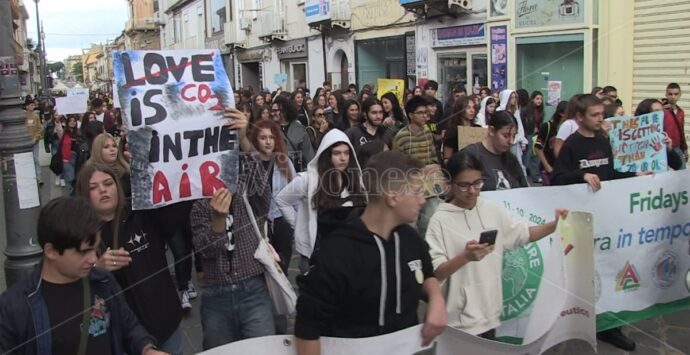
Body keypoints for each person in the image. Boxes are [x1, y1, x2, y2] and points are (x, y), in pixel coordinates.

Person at [294, 151, 447, 355]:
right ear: (393, 197)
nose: (422, 200)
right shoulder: (337, 253)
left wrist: (436, 299)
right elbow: (307, 329)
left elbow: (427, 274)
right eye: (417, 191)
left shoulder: (411, 240)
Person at [426, 151, 568, 339]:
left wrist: (555, 225)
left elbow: (522, 234)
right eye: (463, 185)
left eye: (477, 183)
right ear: (449, 183)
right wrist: (465, 257)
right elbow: (435, 274)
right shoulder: (439, 220)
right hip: (458, 324)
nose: (472, 191)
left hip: (491, 316)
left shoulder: (490, 208)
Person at [550, 94, 652, 351]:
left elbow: (613, 171)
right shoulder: (572, 144)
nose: (600, 119)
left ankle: (610, 325)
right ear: (579, 117)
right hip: (581, 220)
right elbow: (557, 179)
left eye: (601, 115)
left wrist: (636, 174)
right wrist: (581, 174)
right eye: (595, 115)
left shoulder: (604, 141)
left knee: (609, 269)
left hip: (607, 217)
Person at [0, 197, 166, 355]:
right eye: (84, 252)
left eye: (95, 249)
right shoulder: (13, 308)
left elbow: (128, 325)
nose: (93, 259)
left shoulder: (103, 281)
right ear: (51, 251)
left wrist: (146, 348)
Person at [76, 164, 183, 355]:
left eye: (108, 183)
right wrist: (96, 268)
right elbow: (70, 284)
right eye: (93, 187)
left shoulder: (143, 212)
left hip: (166, 321)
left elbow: (173, 217)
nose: (103, 190)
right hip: (122, 336)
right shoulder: (78, 235)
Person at [190, 113, 276, 348]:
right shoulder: (198, 201)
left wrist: (244, 139)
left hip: (253, 290)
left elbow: (264, 199)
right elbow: (205, 250)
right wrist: (218, 218)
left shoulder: (244, 187)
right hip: (215, 296)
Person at [276, 128, 367, 272]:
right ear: (327, 155)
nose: (343, 158)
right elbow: (282, 200)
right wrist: (299, 226)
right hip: (316, 257)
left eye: (346, 153)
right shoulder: (308, 179)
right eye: (337, 153)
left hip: (350, 256)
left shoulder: (356, 181)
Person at [249, 119, 297, 274]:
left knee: (282, 265)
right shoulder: (250, 163)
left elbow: (294, 193)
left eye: (271, 137)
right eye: (263, 138)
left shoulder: (285, 162)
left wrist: (296, 222)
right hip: (258, 222)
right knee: (262, 266)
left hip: (282, 220)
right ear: (256, 140)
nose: (268, 142)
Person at [394, 96, 442, 238]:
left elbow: (433, 155)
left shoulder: (427, 132)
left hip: (428, 185)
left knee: (432, 217)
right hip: (410, 185)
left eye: (426, 113)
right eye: (420, 113)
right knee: (411, 222)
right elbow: (397, 165)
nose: (424, 116)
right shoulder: (401, 136)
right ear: (410, 115)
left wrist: (435, 167)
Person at [461, 111, 527, 191]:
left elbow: (524, 188)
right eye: (506, 136)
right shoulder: (471, 154)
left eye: (514, 136)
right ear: (491, 131)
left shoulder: (511, 159)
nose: (511, 141)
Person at [272, 96, 315, 172]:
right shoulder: (269, 128)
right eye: (272, 110)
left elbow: (309, 156)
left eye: (275, 110)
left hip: (296, 173)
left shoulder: (299, 130)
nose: (272, 113)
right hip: (276, 172)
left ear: (284, 111)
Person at [345, 98, 393, 163]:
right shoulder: (352, 133)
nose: (378, 116)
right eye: (374, 113)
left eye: (380, 112)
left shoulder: (386, 135)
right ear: (365, 114)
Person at [87, 133, 132, 199]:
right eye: (106, 147)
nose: (112, 149)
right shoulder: (89, 173)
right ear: (97, 150)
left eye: (114, 146)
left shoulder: (126, 172)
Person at [535, 101, 568, 185]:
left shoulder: (570, 128)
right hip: (549, 168)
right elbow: (538, 148)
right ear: (562, 114)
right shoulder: (547, 126)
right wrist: (547, 167)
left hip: (563, 169)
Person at [497, 89, 528, 176]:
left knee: (518, 162)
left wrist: (523, 141)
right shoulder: (499, 110)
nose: (514, 100)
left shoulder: (515, 111)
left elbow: (520, 126)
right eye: (512, 98)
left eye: (515, 98)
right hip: (503, 141)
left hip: (515, 141)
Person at [443, 96, 479, 164]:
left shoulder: (478, 129)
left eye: (473, 107)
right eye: (468, 107)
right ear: (460, 109)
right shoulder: (452, 131)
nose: (472, 110)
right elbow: (447, 158)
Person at [522, 91, 544, 183]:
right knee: (528, 155)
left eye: (541, 99)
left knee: (536, 154)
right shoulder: (527, 110)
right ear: (532, 99)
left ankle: (535, 175)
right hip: (529, 134)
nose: (539, 101)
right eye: (537, 99)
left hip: (537, 134)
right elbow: (525, 123)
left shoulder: (540, 111)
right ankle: (525, 175)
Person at [663, 83, 687, 169]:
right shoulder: (662, 110)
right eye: (670, 94)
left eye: (676, 94)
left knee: (682, 174)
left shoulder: (681, 112)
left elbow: (682, 130)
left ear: (680, 95)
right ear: (666, 94)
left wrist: (685, 148)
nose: (673, 97)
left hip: (677, 148)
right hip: (664, 148)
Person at [24, 99, 43, 185]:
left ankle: (38, 177)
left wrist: (36, 137)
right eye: (31, 105)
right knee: (27, 160)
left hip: (34, 142)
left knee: (35, 159)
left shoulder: (36, 116)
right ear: (26, 106)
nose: (33, 107)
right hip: (25, 143)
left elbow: (40, 128)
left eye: (33, 105)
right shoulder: (23, 117)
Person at [59, 116, 79, 194]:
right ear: (67, 123)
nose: (72, 122)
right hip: (67, 158)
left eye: (74, 121)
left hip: (77, 158)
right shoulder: (64, 133)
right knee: (70, 177)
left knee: (76, 178)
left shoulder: (78, 132)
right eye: (70, 121)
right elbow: (58, 129)